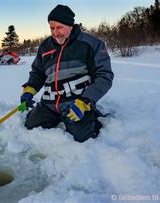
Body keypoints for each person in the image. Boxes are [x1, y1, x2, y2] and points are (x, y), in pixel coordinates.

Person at [20, 4, 114, 142]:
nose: (55, 33)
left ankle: (92, 115)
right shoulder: (45, 46)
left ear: (70, 26)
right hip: (49, 104)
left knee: (83, 137)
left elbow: (104, 76)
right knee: (30, 126)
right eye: (52, 28)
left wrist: (85, 101)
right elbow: (38, 73)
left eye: (59, 27)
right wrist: (29, 90)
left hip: (76, 103)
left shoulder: (90, 44)